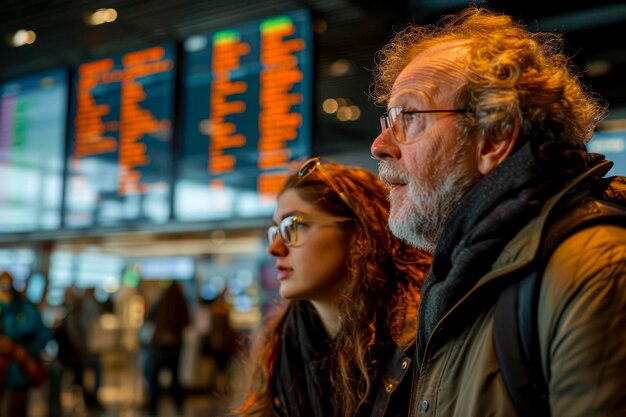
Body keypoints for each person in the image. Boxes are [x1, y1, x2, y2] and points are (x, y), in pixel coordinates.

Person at [370, 6, 626, 417]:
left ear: (494, 137)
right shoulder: (462, 275)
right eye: (390, 119)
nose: (379, 145)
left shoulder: (596, 268)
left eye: (409, 117)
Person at [235, 158, 430, 417]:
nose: (274, 248)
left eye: (294, 226)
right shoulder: (284, 345)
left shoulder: (421, 339)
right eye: (275, 231)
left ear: (359, 232)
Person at [0, 271, 52, 417]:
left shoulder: (24, 309)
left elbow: (44, 334)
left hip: (17, 374)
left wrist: (27, 353)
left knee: (13, 410)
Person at [145, 281, 190, 415]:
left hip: (160, 346)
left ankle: (153, 406)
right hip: (175, 346)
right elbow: (187, 321)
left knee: (154, 375)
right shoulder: (181, 302)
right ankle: (179, 406)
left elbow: (149, 318)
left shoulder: (161, 301)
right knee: (175, 377)